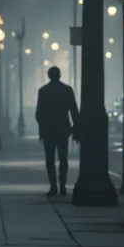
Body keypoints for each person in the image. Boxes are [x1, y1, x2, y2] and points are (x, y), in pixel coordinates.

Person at [35, 65, 80, 199]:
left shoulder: (43, 91)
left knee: (50, 159)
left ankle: (53, 185)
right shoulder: (67, 90)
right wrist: (75, 128)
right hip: (63, 128)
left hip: (48, 129)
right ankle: (62, 185)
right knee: (63, 158)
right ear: (59, 75)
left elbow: (39, 113)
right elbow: (74, 111)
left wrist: (42, 129)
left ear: (49, 75)